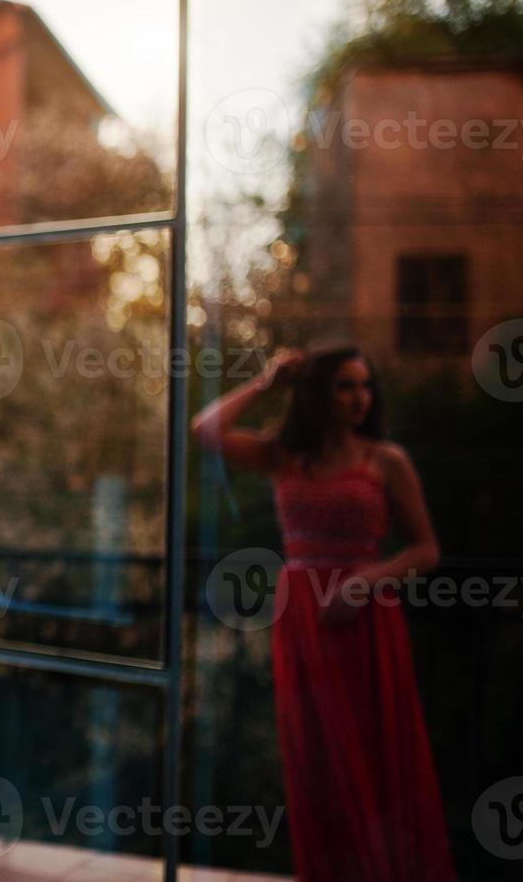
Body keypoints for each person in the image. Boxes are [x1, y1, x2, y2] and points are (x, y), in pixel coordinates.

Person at [190, 343, 454, 881]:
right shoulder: (284, 456)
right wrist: (267, 381)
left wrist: (367, 582)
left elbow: (426, 549)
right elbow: (204, 431)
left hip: (363, 618)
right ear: (318, 394)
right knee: (316, 760)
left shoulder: (385, 460)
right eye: (345, 386)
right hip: (303, 621)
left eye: (365, 386)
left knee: (376, 753)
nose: (360, 397)